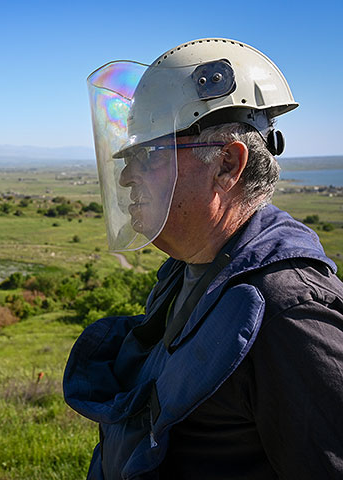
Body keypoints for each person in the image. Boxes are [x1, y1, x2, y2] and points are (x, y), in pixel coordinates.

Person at [63, 38, 343, 479]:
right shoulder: (191, 269)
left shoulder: (290, 314)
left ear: (227, 166)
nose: (125, 175)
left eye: (148, 154)